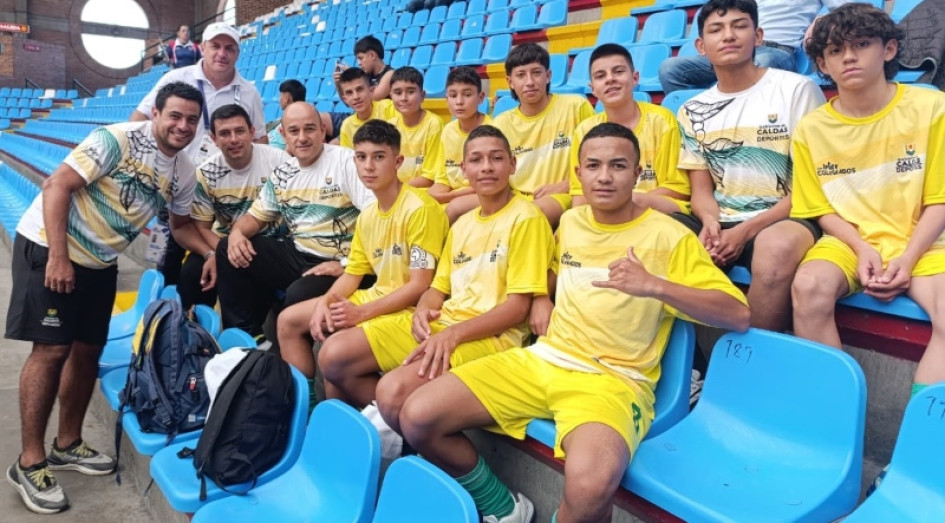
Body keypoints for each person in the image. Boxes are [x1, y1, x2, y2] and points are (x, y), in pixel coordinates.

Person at [397, 123, 750, 523]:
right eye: (593, 165)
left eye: (618, 166)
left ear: (637, 173)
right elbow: (551, 270)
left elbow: (737, 314)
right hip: (543, 359)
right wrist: (542, 297)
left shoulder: (670, 237)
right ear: (578, 173)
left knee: (589, 488)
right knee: (417, 415)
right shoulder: (572, 222)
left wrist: (656, 286)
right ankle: (503, 507)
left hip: (612, 380)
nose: (604, 176)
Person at [5, 82, 207, 514]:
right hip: (50, 245)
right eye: (175, 115)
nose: (182, 125)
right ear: (156, 113)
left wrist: (217, 255)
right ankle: (29, 461)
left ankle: (67, 443)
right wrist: (59, 258)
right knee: (52, 350)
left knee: (86, 351)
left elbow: (183, 226)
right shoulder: (116, 139)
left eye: (192, 119)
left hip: (100, 260)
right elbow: (56, 186)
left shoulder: (183, 170)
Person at [321, 125, 553, 426]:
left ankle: (393, 434)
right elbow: (435, 288)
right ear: (463, 169)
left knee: (391, 390)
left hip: (489, 335)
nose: (486, 167)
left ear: (512, 164)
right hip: (441, 321)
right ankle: (379, 431)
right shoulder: (460, 224)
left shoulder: (525, 219)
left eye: (496, 158)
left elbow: (517, 307)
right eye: (476, 160)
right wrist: (421, 311)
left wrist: (450, 333)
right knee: (332, 355)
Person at [791, 4, 945, 396]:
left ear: (889, 49)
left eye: (861, 44)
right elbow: (820, 209)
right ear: (822, 64)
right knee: (808, 287)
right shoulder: (811, 129)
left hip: (925, 244)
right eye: (836, 51)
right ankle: (833, 412)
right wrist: (860, 248)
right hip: (849, 241)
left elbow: (939, 201)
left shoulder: (931, 108)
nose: (850, 58)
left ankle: (918, 438)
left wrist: (907, 260)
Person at [674, 0, 826, 332]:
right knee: (654, 231)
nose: (728, 35)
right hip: (724, 216)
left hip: (786, 215)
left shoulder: (797, 90)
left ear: (758, 35)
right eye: (716, 29)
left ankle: (754, 360)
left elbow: (809, 186)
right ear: (701, 46)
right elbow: (701, 190)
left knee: (776, 251)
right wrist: (711, 223)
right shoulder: (692, 109)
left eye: (739, 26)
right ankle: (694, 366)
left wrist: (744, 231)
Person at [278, 120, 449, 411]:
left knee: (334, 354)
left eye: (378, 157)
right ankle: (305, 410)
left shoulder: (420, 211)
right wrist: (328, 300)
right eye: (361, 157)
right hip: (375, 296)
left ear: (397, 162)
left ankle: (391, 421)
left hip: (408, 306)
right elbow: (353, 274)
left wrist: (361, 313)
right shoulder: (369, 215)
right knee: (289, 320)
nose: (368, 166)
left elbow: (420, 283)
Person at [215, 102, 376, 343]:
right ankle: (247, 337)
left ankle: (290, 363)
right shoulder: (283, 173)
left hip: (343, 262)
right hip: (300, 255)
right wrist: (237, 233)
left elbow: (378, 219)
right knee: (228, 247)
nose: (302, 138)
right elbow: (256, 217)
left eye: (309, 129)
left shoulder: (347, 162)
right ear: (283, 135)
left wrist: (346, 264)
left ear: (323, 131)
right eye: (294, 131)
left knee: (298, 293)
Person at [468, 43, 595, 227]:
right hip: (513, 195)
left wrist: (565, 185)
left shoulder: (575, 106)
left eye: (536, 72)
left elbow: (596, 158)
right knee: (453, 210)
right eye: (521, 75)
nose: (529, 81)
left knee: (529, 216)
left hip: (560, 195)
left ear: (548, 76)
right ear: (510, 82)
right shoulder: (502, 123)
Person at [183, 104, 291, 310]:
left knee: (250, 264)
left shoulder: (279, 161)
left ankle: (249, 333)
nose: (233, 139)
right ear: (213, 139)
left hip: (273, 242)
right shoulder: (206, 174)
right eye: (224, 133)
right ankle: (197, 331)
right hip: (223, 241)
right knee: (193, 271)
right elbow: (202, 227)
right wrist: (220, 253)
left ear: (252, 132)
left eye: (240, 131)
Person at [569, 43, 690, 215]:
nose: (610, 79)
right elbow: (579, 194)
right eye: (600, 76)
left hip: (653, 212)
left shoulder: (662, 121)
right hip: (603, 215)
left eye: (618, 72)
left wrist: (625, 205)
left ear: (635, 78)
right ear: (593, 89)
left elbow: (678, 189)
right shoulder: (585, 130)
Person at [132, 22, 267, 166]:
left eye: (229, 48)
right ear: (202, 48)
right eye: (215, 46)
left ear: (237, 54)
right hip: (173, 173)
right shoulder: (176, 78)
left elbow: (260, 138)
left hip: (225, 180)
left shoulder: (250, 92)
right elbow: (141, 116)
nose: (222, 54)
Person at [658, 0, 853, 93]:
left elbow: (849, 7)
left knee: (759, 62)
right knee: (671, 68)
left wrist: (822, 18)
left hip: (776, 50)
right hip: (736, 48)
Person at [430, 66, 492, 222]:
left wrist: (449, 196)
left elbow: (489, 180)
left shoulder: (491, 131)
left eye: (467, 94)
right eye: (453, 95)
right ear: (446, 99)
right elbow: (443, 177)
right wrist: (434, 195)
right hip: (454, 193)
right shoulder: (447, 131)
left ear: (481, 97)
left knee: (453, 208)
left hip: (485, 193)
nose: (459, 102)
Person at [387, 66, 444, 188]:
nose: (404, 98)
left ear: (422, 95)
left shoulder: (434, 124)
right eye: (398, 93)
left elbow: (430, 177)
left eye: (411, 91)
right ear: (391, 95)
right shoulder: (390, 126)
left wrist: (397, 189)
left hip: (423, 191)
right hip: (395, 190)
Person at [267, 80, 349, 150]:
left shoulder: (315, 118)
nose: (279, 99)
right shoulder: (277, 121)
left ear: (286, 98)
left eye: (280, 96)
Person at [338, 68, 397, 149]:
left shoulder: (389, 107)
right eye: (349, 93)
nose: (356, 97)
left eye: (360, 89)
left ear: (371, 90)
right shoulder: (346, 126)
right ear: (345, 99)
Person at [334, 35, 395, 101]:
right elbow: (349, 102)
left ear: (372, 55)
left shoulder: (390, 74)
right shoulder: (365, 76)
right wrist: (338, 84)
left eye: (361, 58)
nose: (359, 63)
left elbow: (372, 99)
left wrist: (352, 75)